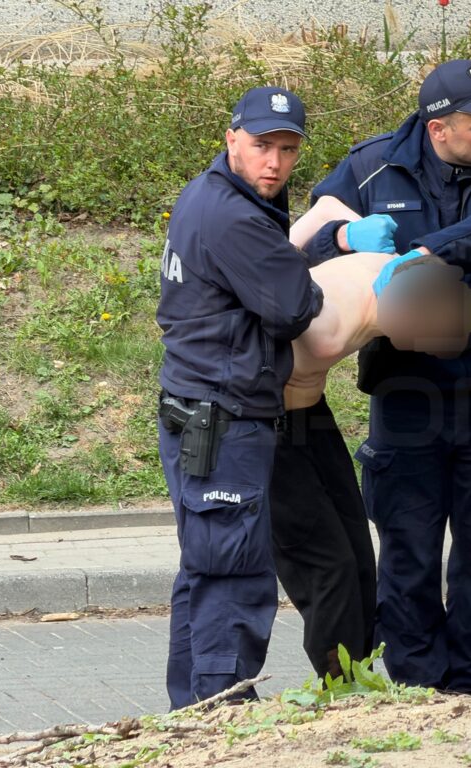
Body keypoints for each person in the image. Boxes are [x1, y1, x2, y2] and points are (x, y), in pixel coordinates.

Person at [299, 59, 471, 699]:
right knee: (408, 556)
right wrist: (343, 234)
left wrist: (428, 252)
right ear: (438, 127)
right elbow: (301, 245)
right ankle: (419, 693)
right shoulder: (371, 168)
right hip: (406, 393)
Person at [155, 85, 325, 709]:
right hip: (224, 422)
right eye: (261, 146)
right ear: (231, 139)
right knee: (235, 571)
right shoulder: (234, 216)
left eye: (287, 149)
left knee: (204, 570)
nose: (274, 163)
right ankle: (218, 713)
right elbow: (295, 307)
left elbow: (269, 275)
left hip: (198, 410)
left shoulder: (209, 195)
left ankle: (188, 713)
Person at [270, 248, 471, 680]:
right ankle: (341, 686)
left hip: (311, 415)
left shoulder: (393, 265)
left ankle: (359, 675)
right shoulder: (326, 328)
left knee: (361, 559)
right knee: (331, 566)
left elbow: (324, 214)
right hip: (265, 427)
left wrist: (346, 228)